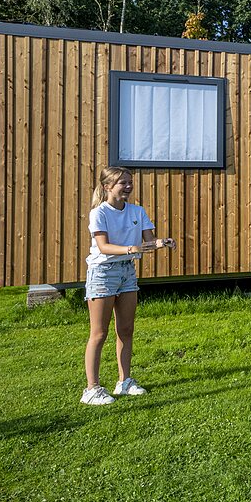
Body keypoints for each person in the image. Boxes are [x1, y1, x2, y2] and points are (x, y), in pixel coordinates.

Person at [81, 167, 175, 405]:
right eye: (123, 182)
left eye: (130, 182)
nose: (128, 186)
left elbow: (148, 242)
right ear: (107, 187)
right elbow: (103, 246)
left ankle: (125, 382)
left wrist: (162, 242)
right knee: (99, 333)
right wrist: (130, 249)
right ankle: (91, 389)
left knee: (126, 330)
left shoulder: (137, 211)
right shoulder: (99, 213)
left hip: (127, 273)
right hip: (103, 273)